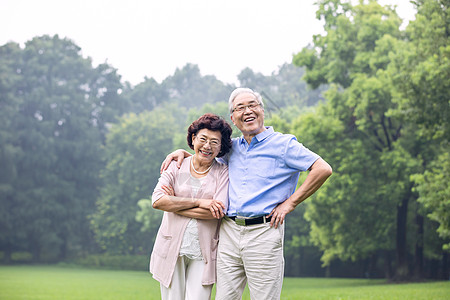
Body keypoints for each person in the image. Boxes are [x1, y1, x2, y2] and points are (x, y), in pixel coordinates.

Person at [161, 88, 332, 300]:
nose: (247, 111)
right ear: (233, 118)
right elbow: (207, 155)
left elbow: (323, 169)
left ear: (262, 110)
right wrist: (184, 153)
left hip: (264, 231)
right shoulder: (231, 147)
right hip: (228, 232)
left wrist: (290, 203)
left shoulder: (284, 145)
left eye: (253, 105)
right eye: (240, 108)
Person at [150, 113, 232, 300]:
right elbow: (158, 201)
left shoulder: (223, 173)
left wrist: (173, 204)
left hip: (203, 251)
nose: (207, 146)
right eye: (203, 139)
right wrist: (199, 202)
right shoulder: (176, 166)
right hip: (171, 247)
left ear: (221, 147)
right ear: (193, 138)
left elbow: (216, 212)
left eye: (214, 142)